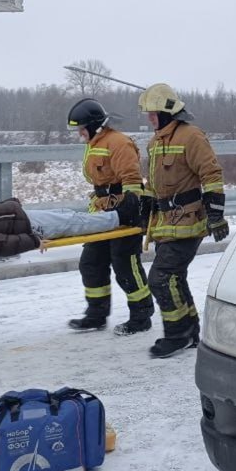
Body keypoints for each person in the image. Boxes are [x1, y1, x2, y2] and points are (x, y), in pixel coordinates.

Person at [139, 83, 227, 359]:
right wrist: (146, 212)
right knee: (175, 276)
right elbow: (154, 184)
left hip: (189, 221)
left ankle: (176, 334)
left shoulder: (191, 136)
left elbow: (211, 174)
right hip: (167, 221)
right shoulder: (155, 142)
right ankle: (189, 332)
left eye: (153, 114)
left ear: (167, 112)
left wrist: (215, 214)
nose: (149, 119)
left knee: (161, 278)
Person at [65, 98, 152, 335]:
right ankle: (96, 315)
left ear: (93, 125)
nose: (79, 134)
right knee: (91, 263)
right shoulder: (95, 143)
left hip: (123, 213)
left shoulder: (119, 143)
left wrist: (130, 210)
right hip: (101, 213)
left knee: (125, 265)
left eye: (81, 129)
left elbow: (131, 180)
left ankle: (141, 315)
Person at [0, 198, 139, 256]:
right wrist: (32, 241)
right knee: (77, 223)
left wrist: (9, 203)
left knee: (71, 216)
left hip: (21, 216)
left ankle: (115, 214)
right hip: (28, 226)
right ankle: (122, 216)